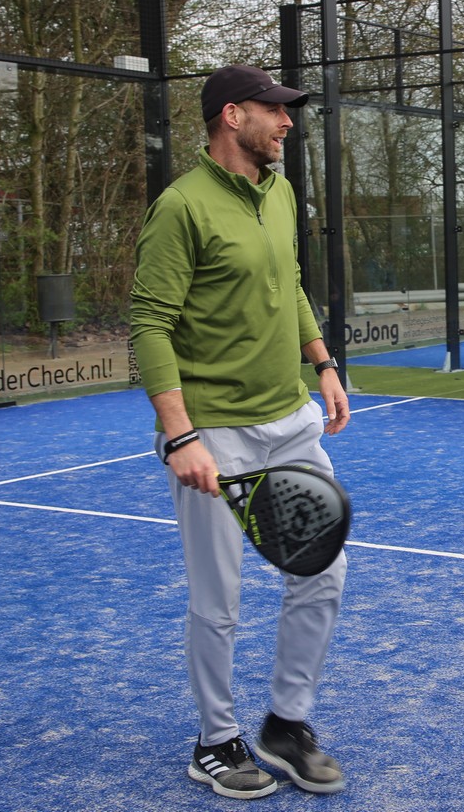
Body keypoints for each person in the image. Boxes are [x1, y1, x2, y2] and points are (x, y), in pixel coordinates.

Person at [130, 65, 351, 801]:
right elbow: (149, 324)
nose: (286, 122)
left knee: (322, 571)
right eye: (274, 110)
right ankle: (215, 740)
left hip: (290, 418)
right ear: (232, 116)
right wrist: (180, 435)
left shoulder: (279, 192)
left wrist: (322, 363)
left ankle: (286, 725)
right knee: (218, 598)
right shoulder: (180, 207)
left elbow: (289, 286)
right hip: (216, 433)